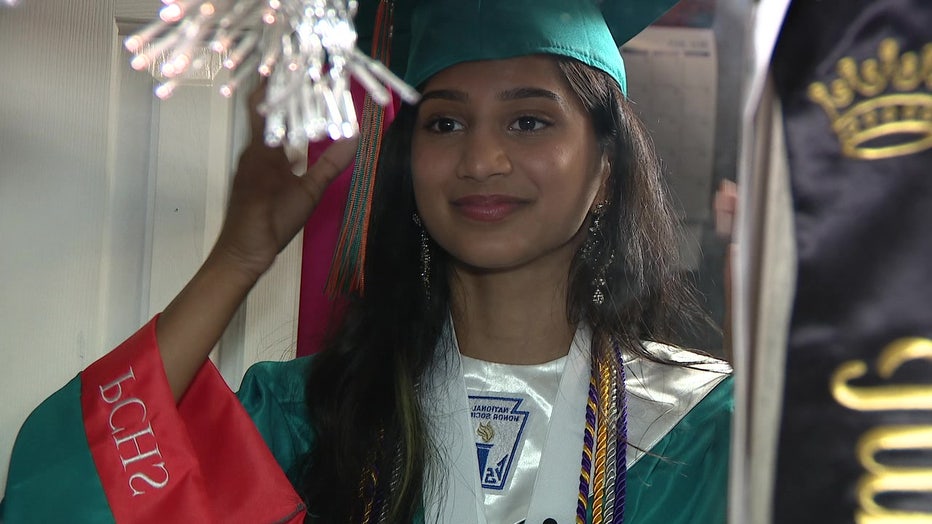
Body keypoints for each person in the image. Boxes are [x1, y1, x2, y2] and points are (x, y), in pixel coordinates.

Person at [1, 0, 732, 522]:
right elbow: (65, 498)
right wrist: (237, 258)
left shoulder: (706, 434)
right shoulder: (307, 416)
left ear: (606, 167)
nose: (480, 157)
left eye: (529, 119)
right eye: (444, 122)